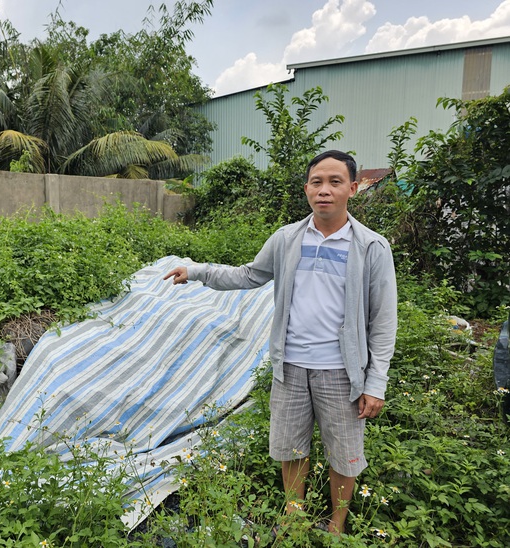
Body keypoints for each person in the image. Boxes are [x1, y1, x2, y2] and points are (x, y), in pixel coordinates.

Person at [164, 150, 397, 535]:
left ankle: (336, 524)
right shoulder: (287, 239)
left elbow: (384, 321)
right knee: (291, 448)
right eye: (316, 182)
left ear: (353, 189)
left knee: (344, 453)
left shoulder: (371, 247)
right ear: (306, 188)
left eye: (335, 182)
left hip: (342, 371)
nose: (324, 190)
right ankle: (293, 514)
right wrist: (197, 271)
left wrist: (375, 383)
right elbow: (249, 275)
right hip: (289, 367)